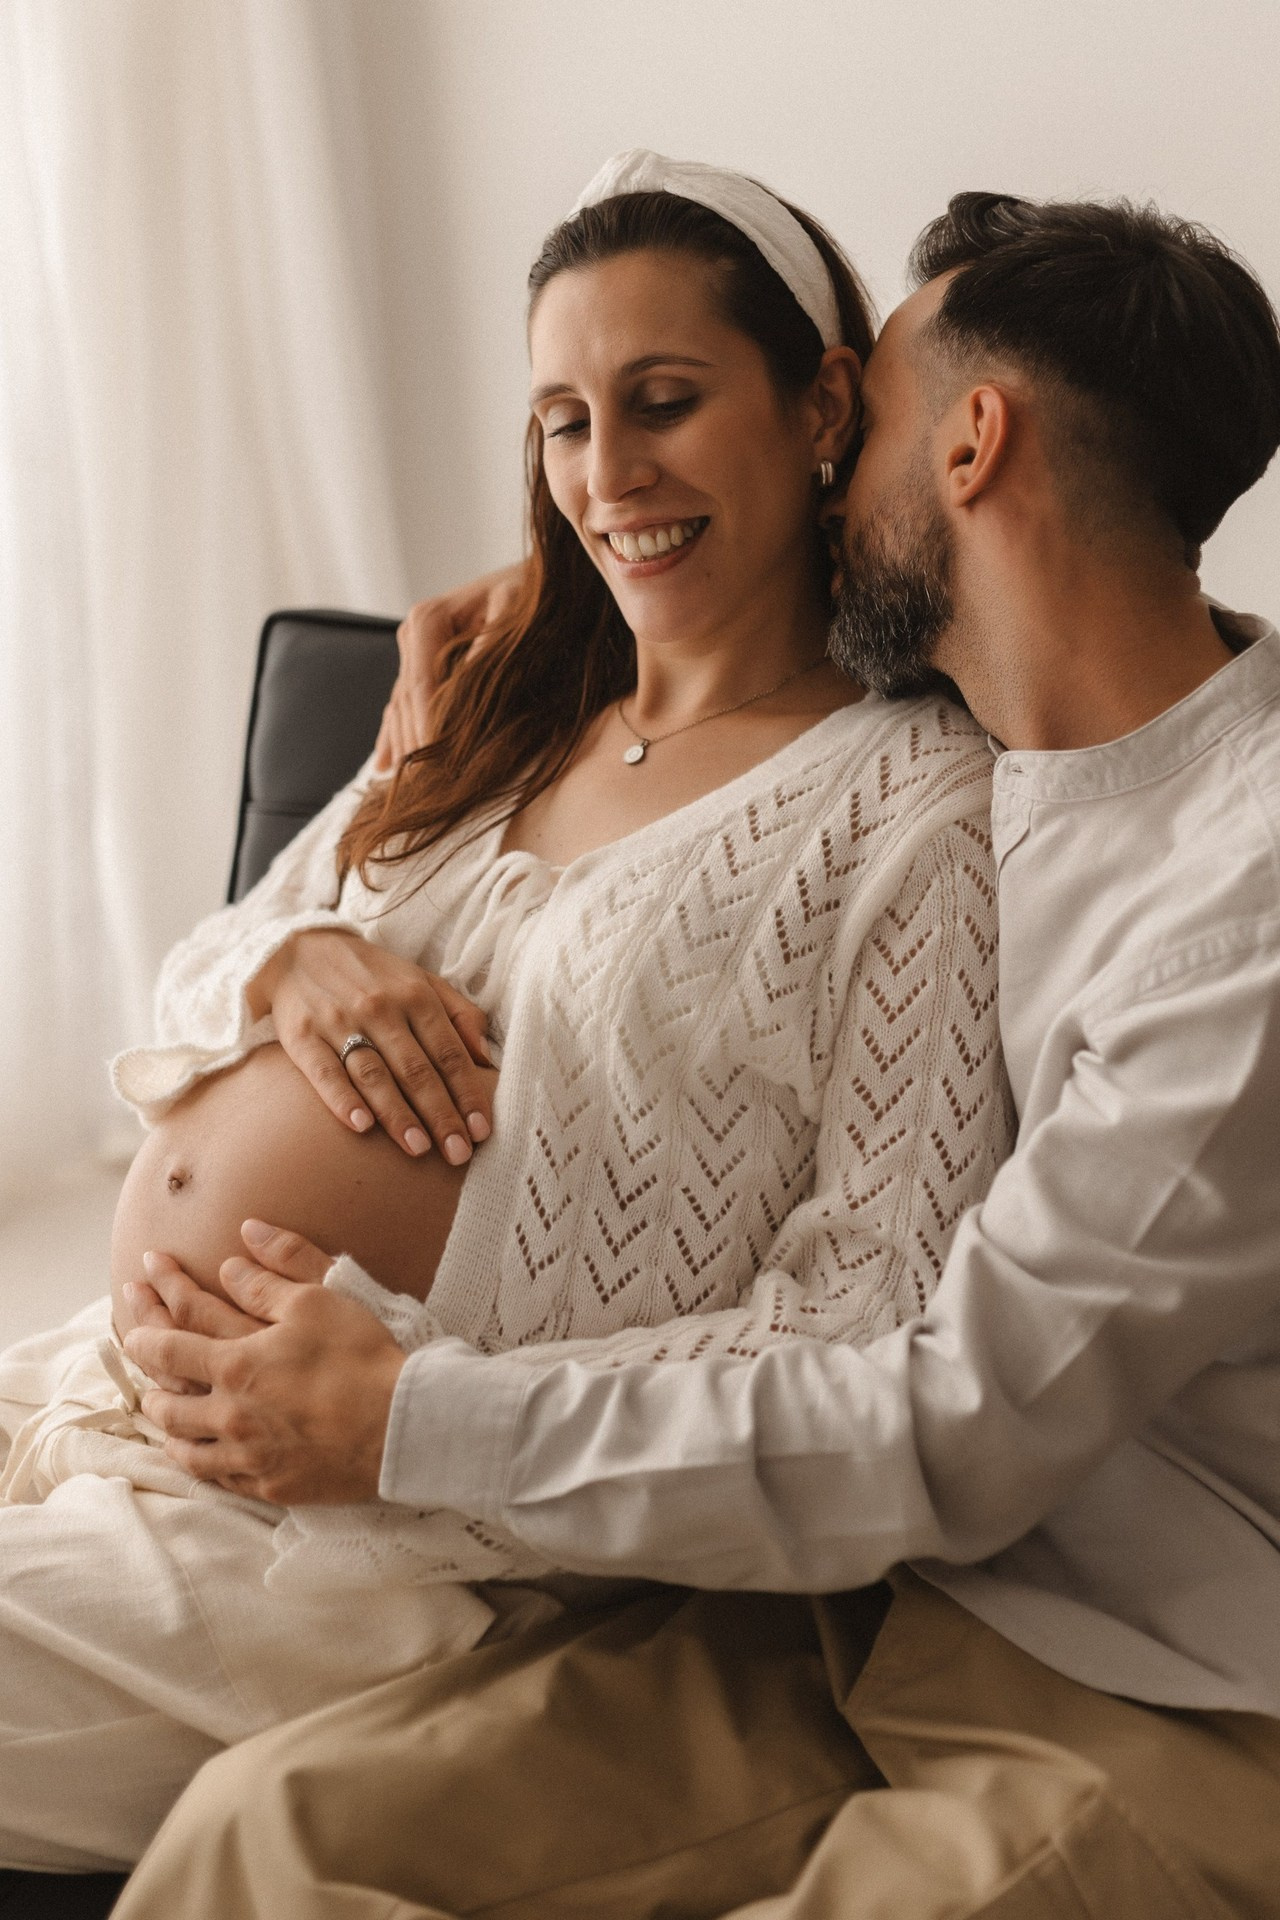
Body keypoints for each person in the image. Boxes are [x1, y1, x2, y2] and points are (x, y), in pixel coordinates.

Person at [115, 190, 1280, 1919]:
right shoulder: (1039, 741)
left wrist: (412, 1422)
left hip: (1158, 1676)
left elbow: (949, 1423)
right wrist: (582, 587)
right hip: (848, 1608)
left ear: (969, 443)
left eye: (855, 417)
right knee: (254, 1840)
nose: (825, 463)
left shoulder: (1231, 920)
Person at [0, 154, 1014, 1879]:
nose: (607, 476)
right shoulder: (499, 704)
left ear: (824, 401)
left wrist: (420, 1399)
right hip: (99, 1400)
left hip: (379, 1552)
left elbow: (866, 1322)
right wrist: (284, 963)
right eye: (561, 421)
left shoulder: (914, 818)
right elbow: (194, 964)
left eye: (665, 403)